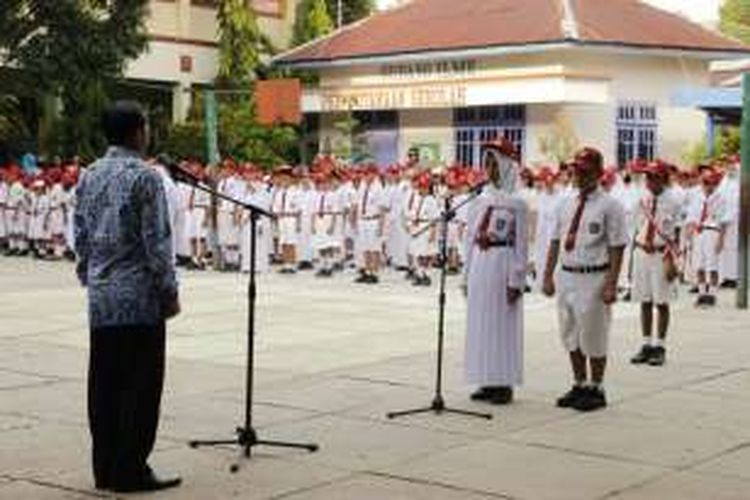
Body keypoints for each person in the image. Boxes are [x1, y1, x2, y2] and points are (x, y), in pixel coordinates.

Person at [74, 101, 181, 493]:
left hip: (102, 300)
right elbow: (158, 241)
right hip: (138, 300)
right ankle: (131, 469)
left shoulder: (89, 174)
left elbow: (80, 234)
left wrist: (91, 277)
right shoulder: (146, 177)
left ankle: (104, 467)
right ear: (138, 131)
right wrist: (169, 291)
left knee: (104, 385)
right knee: (140, 386)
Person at [543, 147, 627, 412]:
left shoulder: (610, 206)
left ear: (598, 173)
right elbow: (555, 241)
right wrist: (547, 275)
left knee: (594, 333)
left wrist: (612, 283)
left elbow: (617, 246)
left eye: (584, 170)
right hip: (568, 273)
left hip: (594, 276)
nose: (578, 175)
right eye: (575, 170)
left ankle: (596, 387)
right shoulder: (564, 202)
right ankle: (579, 383)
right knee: (570, 332)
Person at [464, 137, 528, 404]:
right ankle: (486, 378)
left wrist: (517, 279)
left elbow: (521, 244)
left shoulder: (517, 202)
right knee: (481, 322)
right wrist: (466, 273)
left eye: (494, 161)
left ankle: (503, 382)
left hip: (503, 263)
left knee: (502, 324)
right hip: (481, 261)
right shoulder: (480, 198)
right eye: (486, 161)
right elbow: (469, 237)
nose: (488, 167)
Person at [629, 161, 682, 367]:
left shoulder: (673, 202)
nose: (649, 181)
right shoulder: (641, 199)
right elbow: (636, 226)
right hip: (643, 252)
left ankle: (660, 346)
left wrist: (672, 259)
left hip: (661, 254)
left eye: (654, 177)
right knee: (645, 300)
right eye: (647, 177)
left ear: (664, 179)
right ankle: (646, 344)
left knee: (662, 301)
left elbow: (674, 232)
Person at [689, 166, 730, 307]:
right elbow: (692, 216)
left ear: (715, 183)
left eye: (710, 183)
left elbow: (724, 220)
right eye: (704, 182)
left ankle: (712, 294)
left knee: (712, 266)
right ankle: (701, 293)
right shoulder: (697, 196)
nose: (707, 186)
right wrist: (691, 233)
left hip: (712, 231)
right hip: (699, 231)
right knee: (699, 265)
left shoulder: (720, 198)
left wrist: (721, 239)